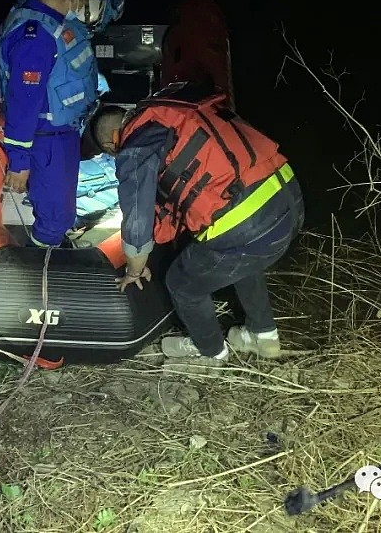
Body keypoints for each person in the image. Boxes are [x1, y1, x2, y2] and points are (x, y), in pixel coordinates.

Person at [90, 80, 304, 366]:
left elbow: (138, 217)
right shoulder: (174, 113)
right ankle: (264, 336)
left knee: (182, 283)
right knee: (240, 261)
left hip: (248, 223)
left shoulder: (136, 146)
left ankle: (210, 353)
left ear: (109, 144)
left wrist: (135, 268)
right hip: (289, 201)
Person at [0, 0, 122, 248]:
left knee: (59, 205)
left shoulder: (48, 19)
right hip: (47, 138)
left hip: (62, 132)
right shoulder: (36, 36)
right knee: (56, 216)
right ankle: (44, 261)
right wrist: (19, 163)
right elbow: (23, 102)